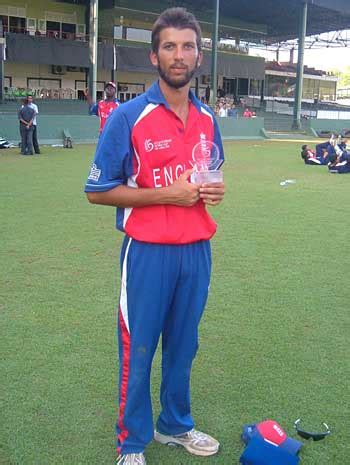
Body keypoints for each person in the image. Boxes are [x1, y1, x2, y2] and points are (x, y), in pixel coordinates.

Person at [85, 7, 225, 465]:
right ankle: (132, 443)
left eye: (187, 46)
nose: (178, 55)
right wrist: (169, 195)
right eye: (170, 46)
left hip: (197, 252)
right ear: (154, 56)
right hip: (146, 254)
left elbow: (209, 173)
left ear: (199, 56)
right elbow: (98, 191)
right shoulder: (129, 116)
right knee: (139, 348)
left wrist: (212, 190)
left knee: (184, 348)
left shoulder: (207, 117)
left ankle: (175, 426)